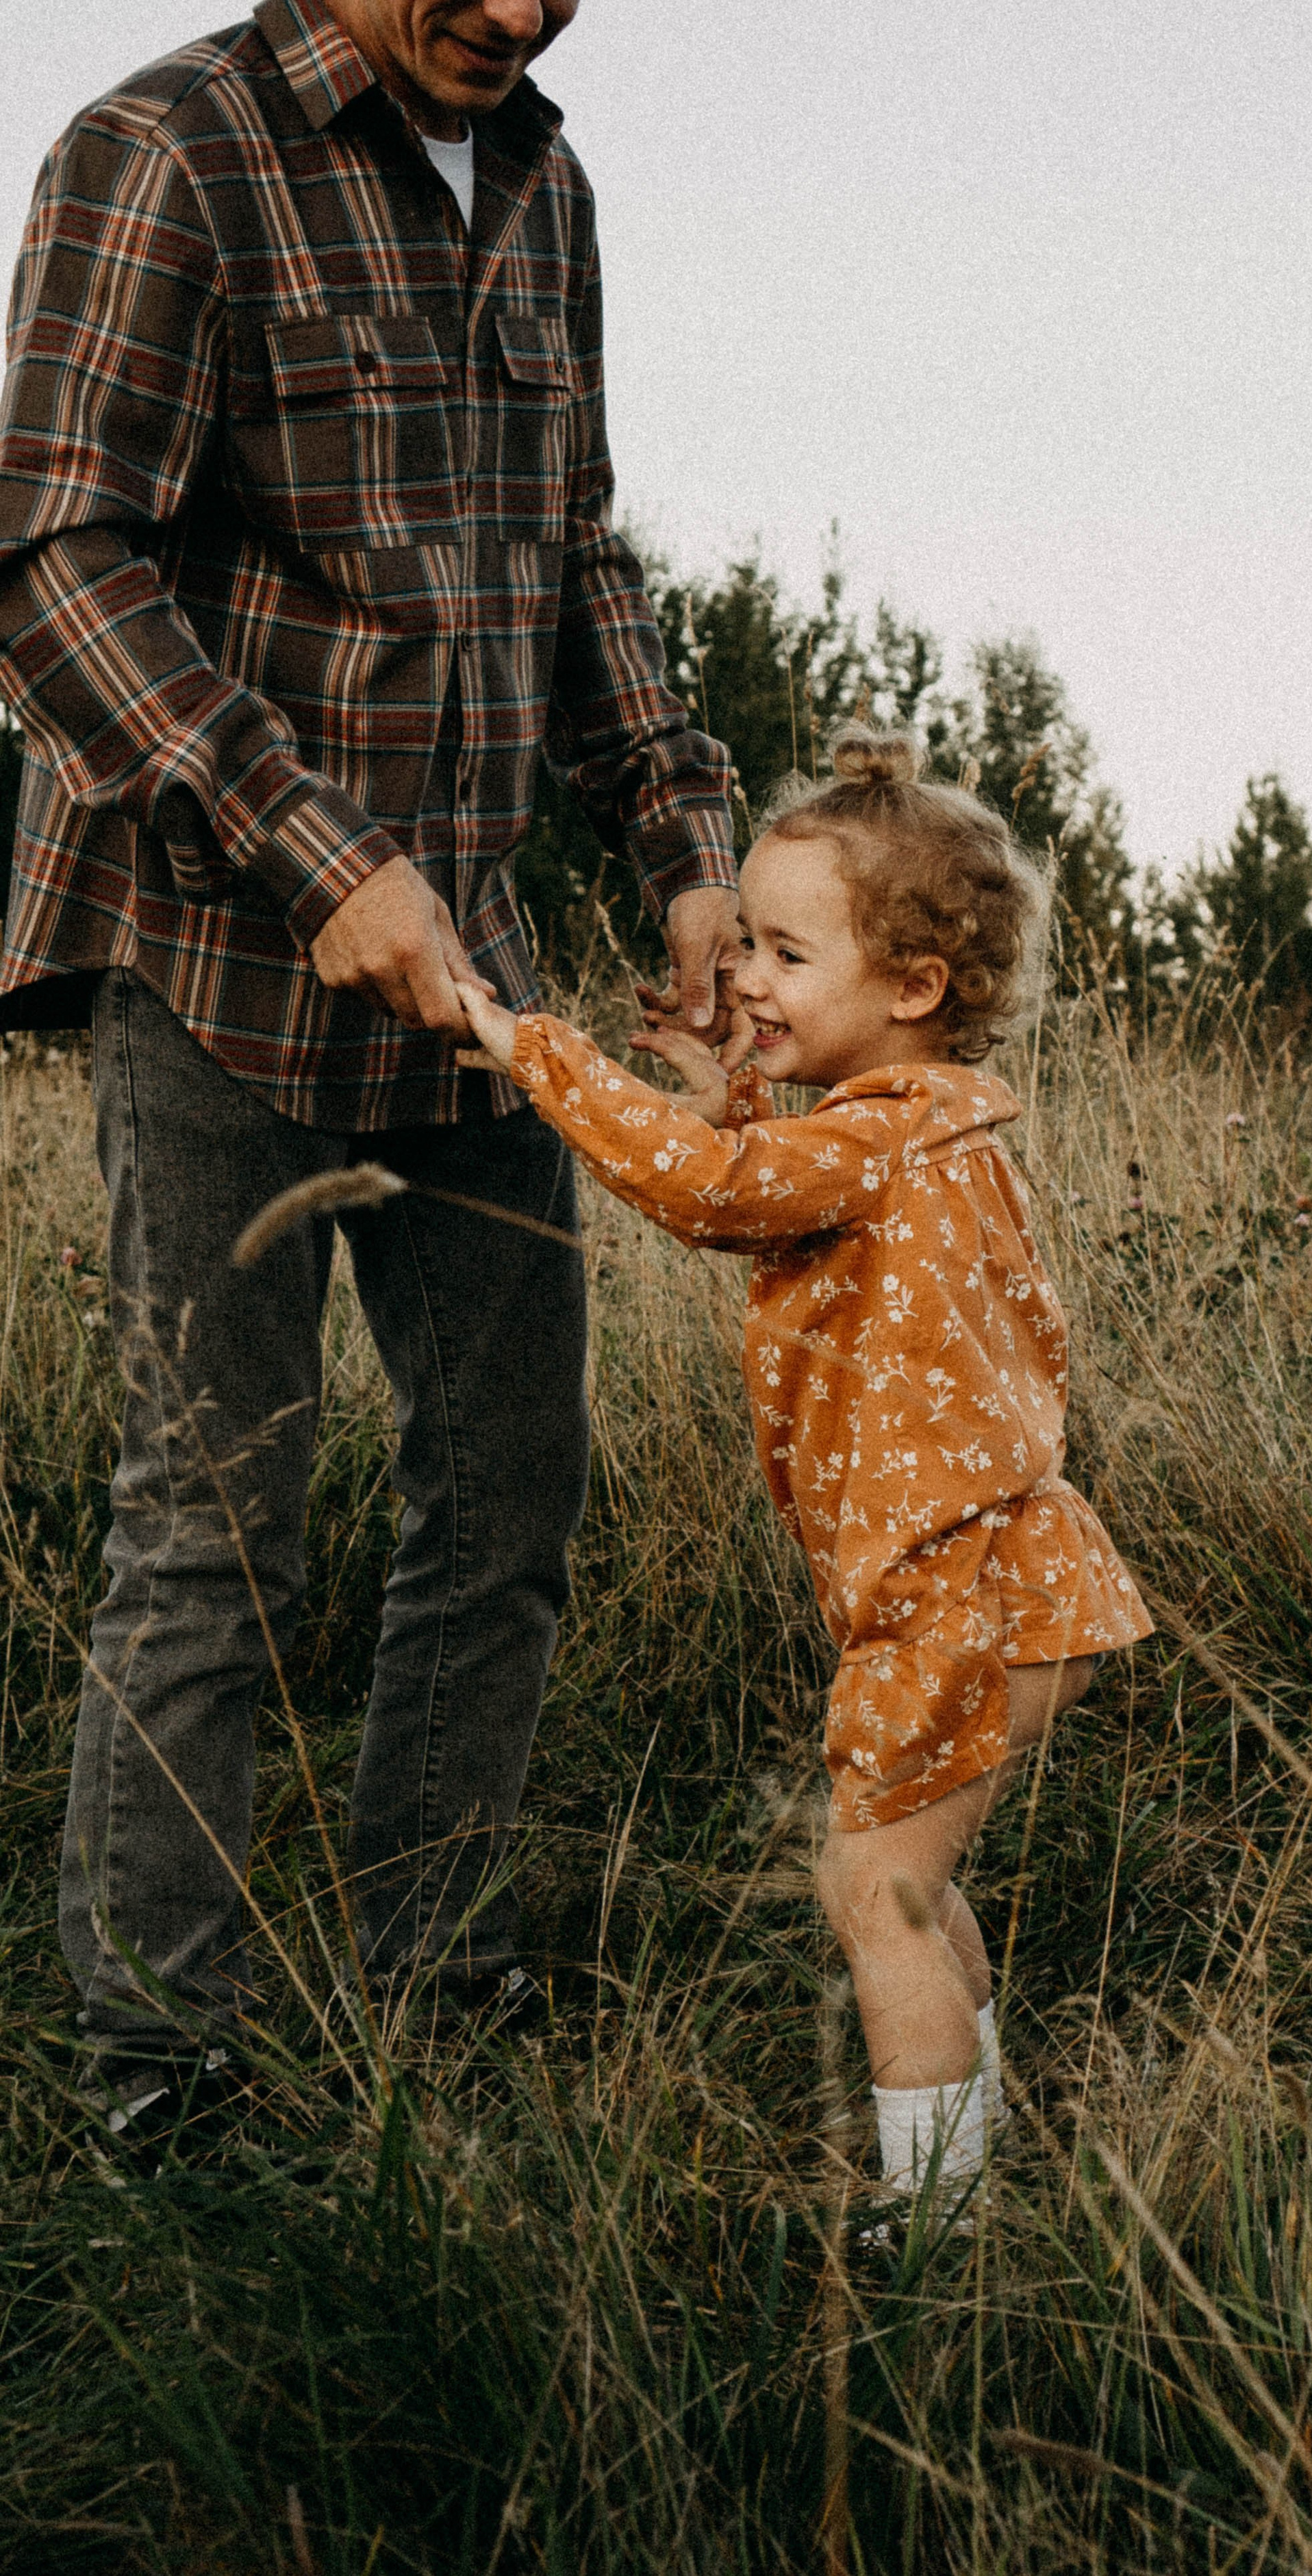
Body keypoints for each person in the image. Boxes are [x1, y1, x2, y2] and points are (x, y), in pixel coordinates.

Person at [0, 0, 741, 2157]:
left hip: (483, 986)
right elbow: (54, 558)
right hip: (215, 958)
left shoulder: (545, 183)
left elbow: (573, 554)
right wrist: (312, 850)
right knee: (216, 1531)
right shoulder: (169, 148)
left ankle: (433, 1986)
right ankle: (162, 2085)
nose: (517, 8)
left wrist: (688, 852)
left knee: (510, 1490)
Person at [455, 727, 1152, 2210]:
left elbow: (714, 1194)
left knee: (871, 1893)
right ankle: (972, 2149)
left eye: (784, 954)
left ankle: (935, 2220)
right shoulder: (920, 1132)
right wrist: (737, 1091)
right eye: (747, 948)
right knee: (908, 1883)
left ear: (913, 990)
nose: (747, 981)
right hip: (1009, 1576)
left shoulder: (884, 1142)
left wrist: (537, 1052)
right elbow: (785, 1188)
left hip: (951, 1590)